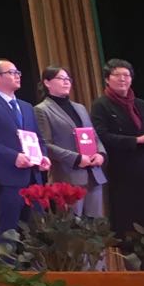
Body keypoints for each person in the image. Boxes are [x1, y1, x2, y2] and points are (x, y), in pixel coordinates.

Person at [0, 59, 51, 244]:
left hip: (33, 178)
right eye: (12, 72)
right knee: (9, 234)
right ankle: (7, 263)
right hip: (7, 178)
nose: (17, 76)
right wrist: (13, 157)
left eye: (18, 73)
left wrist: (43, 156)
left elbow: (38, 138)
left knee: (38, 233)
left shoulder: (26, 107)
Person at [90, 59, 144, 236]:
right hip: (123, 169)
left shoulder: (141, 104)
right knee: (130, 222)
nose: (123, 79)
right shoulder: (101, 105)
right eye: (117, 75)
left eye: (127, 75)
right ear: (107, 79)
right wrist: (136, 140)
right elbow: (101, 136)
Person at [34, 65, 107, 219]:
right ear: (47, 82)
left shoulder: (80, 108)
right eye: (61, 78)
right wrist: (76, 158)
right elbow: (45, 145)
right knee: (72, 226)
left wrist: (101, 154)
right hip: (67, 177)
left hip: (93, 174)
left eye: (68, 79)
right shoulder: (42, 109)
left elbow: (93, 135)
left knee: (96, 225)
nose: (66, 82)